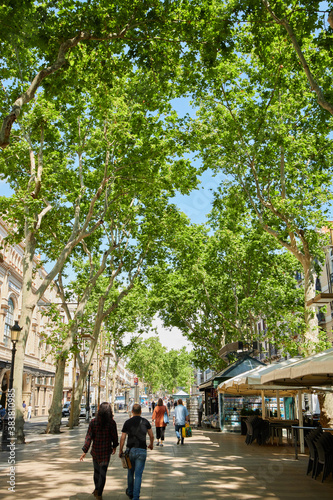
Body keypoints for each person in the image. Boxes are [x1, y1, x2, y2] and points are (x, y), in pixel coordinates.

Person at [80, 402, 119, 500]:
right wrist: (114, 446)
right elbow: (114, 436)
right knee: (103, 472)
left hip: (96, 451)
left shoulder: (93, 422)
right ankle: (99, 493)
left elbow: (89, 437)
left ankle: (97, 488)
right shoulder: (111, 423)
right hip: (106, 451)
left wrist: (85, 450)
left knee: (96, 471)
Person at [119, 403, 153, 500]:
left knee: (130, 472)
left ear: (132, 412)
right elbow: (151, 435)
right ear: (141, 412)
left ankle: (130, 492)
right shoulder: (145, 422)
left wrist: (120, 450)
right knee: (138, 475)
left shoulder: (127, 422)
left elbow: (123, 437)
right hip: (142, 450)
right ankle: (136, 496)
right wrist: (151, 444)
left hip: (130, 451)